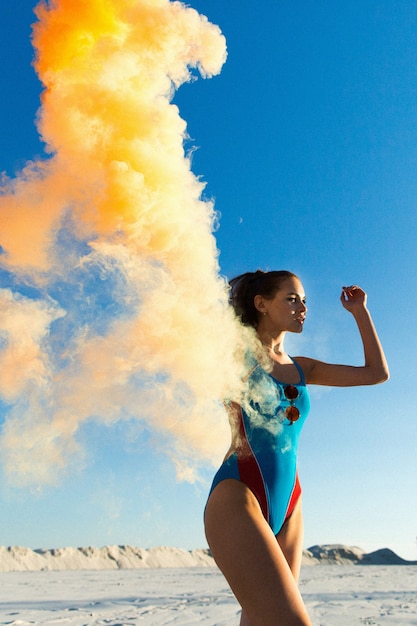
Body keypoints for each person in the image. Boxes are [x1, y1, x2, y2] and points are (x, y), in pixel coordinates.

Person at [204, 270, 389, 626]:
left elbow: (375, 373)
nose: (302, 307)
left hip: (290, 505)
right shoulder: (233, 356)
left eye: (304, 300)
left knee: (261, 619)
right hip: (238, 496)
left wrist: (360, 312)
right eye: (291, 299)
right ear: (261, 304)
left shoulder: (303, 368)